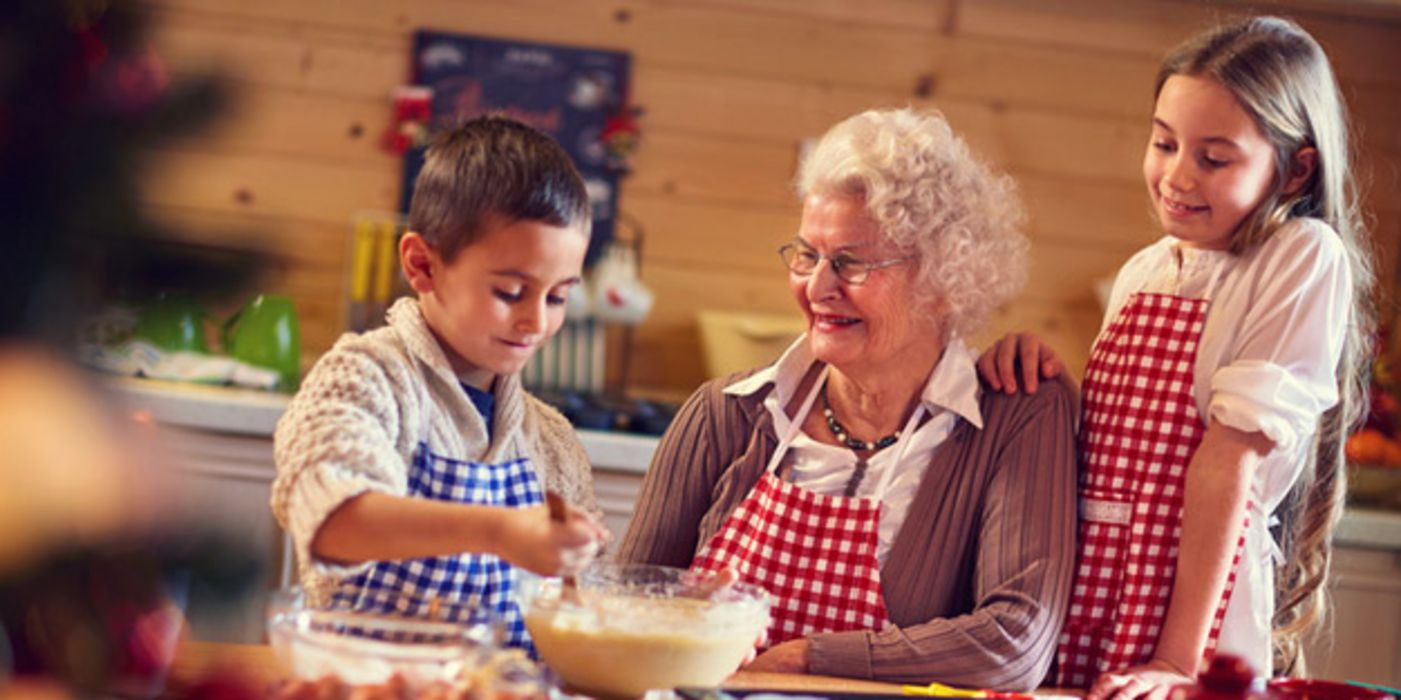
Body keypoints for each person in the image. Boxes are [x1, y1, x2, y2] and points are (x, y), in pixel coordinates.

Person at [977, 17, 1375, 698]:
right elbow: (1111, 446)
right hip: (1084, 582)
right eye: (1163, 143)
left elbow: (1228, 458)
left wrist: (1177, 662)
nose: (1175, 175)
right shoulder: (1144, 270)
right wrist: (1040, 375)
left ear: (1294, 168)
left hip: (1189, 603)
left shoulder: (1299, 256)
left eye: (1213, 158)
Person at [618, 107, 1078, 689]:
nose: (817, 287)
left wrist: (805, 657)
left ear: (942, 281)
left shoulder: (1014, 417)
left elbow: (1014, 644)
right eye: (808, 255)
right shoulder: (725, 413)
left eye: (851, 263)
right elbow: (625, 608)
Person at [271, 115, 608, 650]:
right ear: (423, 265)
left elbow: (581, 606)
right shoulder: (365, 379)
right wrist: (501, 531)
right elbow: (334, 521)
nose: (537, 322)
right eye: (510, 291)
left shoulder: (553, 442)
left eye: (558, 296)